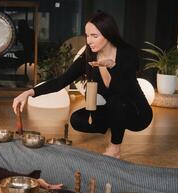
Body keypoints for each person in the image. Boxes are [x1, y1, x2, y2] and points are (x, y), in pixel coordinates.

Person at [12, 11, 153, 158]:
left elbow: (125, 89)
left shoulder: (127, 53)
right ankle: (116, 124)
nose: (89, 41)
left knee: (117, 101)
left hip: (137, 113)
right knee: (77, 119)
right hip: (114, 109)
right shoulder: (89, 56)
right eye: (87, 35)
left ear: (108, 34)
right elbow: (62, 81)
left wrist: (113, 66)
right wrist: (29, 93)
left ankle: (114, 148)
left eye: (94, 36)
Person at [0, 129, 178, 193]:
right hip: (46, 165)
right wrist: (35, 183)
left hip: (50, 152)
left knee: (110, 165)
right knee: (112, 179)